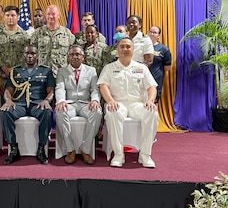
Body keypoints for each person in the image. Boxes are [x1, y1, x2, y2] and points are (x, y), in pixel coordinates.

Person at [97, 37, 158, 168]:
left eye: (128, 47)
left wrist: (150, 100)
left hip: (137, 104)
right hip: (117, 103)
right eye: (122, 47)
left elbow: (152, 86)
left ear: (133, 49)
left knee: (152, 112)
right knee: (112, 111)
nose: (125, 49)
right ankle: (119, 154)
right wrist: (110, 101)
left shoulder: (141, 68)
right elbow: (103, 86)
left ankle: (145, 155)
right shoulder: (109, 68)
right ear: (117, 50)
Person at [0, 45, 55, 165]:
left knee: (47, 112)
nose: (30, 56)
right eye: (27, 53)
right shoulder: (15, 71)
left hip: (37, 104)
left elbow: (51, 91)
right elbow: (8, 90)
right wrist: (8, 100)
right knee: (5, 112)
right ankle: (13, 149)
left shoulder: (46, 71)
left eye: (33, 53)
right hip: (20, 104)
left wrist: (46, 100)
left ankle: (41, 148)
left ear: (37, 55)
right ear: (23, 55)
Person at [55, 45, 102, 165]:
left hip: (86, 103)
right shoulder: (62, 71)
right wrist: (61, 101)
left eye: (78, 54)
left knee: (97, 113)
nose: (75, 57)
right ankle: (70, 149)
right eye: (72, 54)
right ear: (68, 57)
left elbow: (95, 89)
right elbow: (60, 88)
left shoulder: (91, 71)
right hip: (69, 104)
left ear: (83, 57)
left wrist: (95, 100)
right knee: (60, 112)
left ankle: (85, 150)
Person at [0, 5, 30, 98]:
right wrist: (5, 69)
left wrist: (15, 69)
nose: (10, 18)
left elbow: (26, 55)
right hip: (0, 74)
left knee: (19, 99)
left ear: (18, 17)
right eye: (7, 15)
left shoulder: (25, 36)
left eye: (13, 15)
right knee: (1, 101)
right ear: (4, 16)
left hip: (20, 74)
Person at [30, 4, 75, 76]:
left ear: (58, 15)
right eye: (48, 14)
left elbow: (72, 55)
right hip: (42, 74)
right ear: (45, 16)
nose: (51, 16)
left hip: (62, 75)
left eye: (53, 14)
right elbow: (32, 54)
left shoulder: (67, 33)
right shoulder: (37, 33)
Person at [148, 26, 172, 103]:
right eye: (150, 32)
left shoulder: (164, 49)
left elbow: (167, 67)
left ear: (158, 35)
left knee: (153, 104)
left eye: (154, 32)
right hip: (141, 80)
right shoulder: (142, 47)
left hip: (156, 81)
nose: (152, 34)